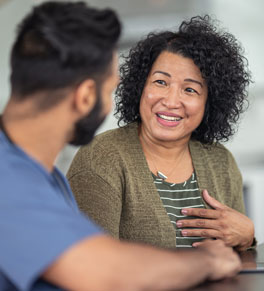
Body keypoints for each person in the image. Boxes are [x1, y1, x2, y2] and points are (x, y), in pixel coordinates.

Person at [0, 2, 242, 290]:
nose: (112, 102)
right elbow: (104, 273)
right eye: (110, 88)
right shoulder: (9, 179)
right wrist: (207, 260)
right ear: (86, 96)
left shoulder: (43, 178)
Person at [67, 15, 255, 251]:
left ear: (210, 102)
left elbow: (240, 262)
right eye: (160, 82)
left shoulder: (221, 161)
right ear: (140, 86)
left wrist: (247, 237)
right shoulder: (101, 158)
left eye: (190, 89)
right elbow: (92, 264)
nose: (171, 101)